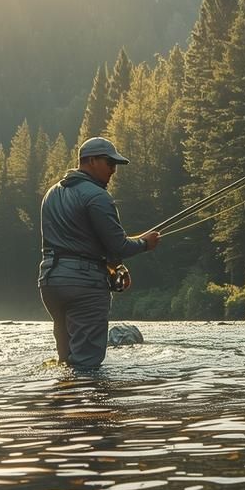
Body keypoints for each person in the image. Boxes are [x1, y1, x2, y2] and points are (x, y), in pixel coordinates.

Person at [38, 136, 161, 368]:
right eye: (109, 163)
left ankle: (64, 399)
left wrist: (116, 266)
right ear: (91, 161)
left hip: (50, 283)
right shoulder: (97, 197)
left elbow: (82, 240)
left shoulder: (51, 194)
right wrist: (145, 243)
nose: (113, 170)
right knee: (87, 364)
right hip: (84, 287)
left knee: (66, 360)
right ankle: (88, 402)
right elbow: (118, 246)